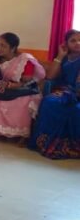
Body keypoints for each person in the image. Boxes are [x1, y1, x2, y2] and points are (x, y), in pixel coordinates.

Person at [29, 29, 80, 159]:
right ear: (66, 43)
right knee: (49, 102)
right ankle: (45, 142)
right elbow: (51, 76)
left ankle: (70, 145)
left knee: (73, 108)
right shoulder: (65, 58)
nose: (78, 43)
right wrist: (60, 56)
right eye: (73, 41)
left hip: (77, 93)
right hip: (64, 91)